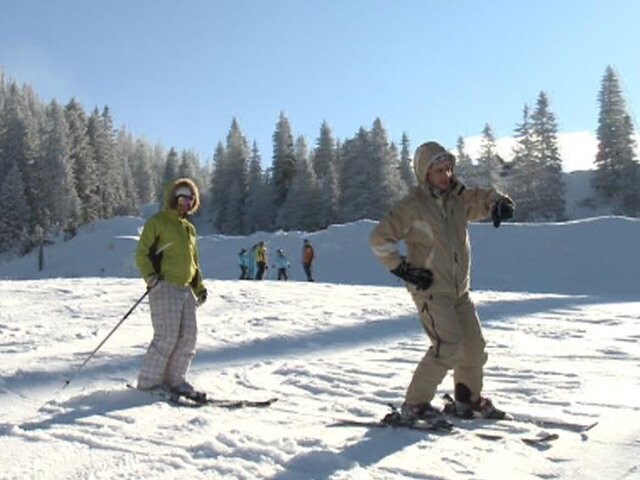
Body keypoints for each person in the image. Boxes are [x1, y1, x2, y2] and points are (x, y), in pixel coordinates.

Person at [369, 141, 514, 421]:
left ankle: (467, 399)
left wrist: (500, 203)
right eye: (438, 171)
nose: (445, 176)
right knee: (447, 346)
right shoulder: (412, 207)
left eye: (448, 169)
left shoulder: (457, 198)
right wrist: (402, 269)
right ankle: (415, 405)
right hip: (431, 292)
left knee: (473, 347)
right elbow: (379, 239)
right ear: (425, 173)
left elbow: (482, 198)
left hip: (460, 291)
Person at [134, 178, 208, 396]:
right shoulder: (158, 222)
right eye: (182, 198)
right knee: (166, 336)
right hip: (164, 286)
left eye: (190, 199)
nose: (186, 203)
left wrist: (199, 287)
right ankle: (149, 383)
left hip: (185, 289)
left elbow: (193, 262)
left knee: (189, 337)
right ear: (174, 198)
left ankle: (175, 380)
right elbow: (142, 253)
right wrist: (151, 277)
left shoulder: (189, 229)